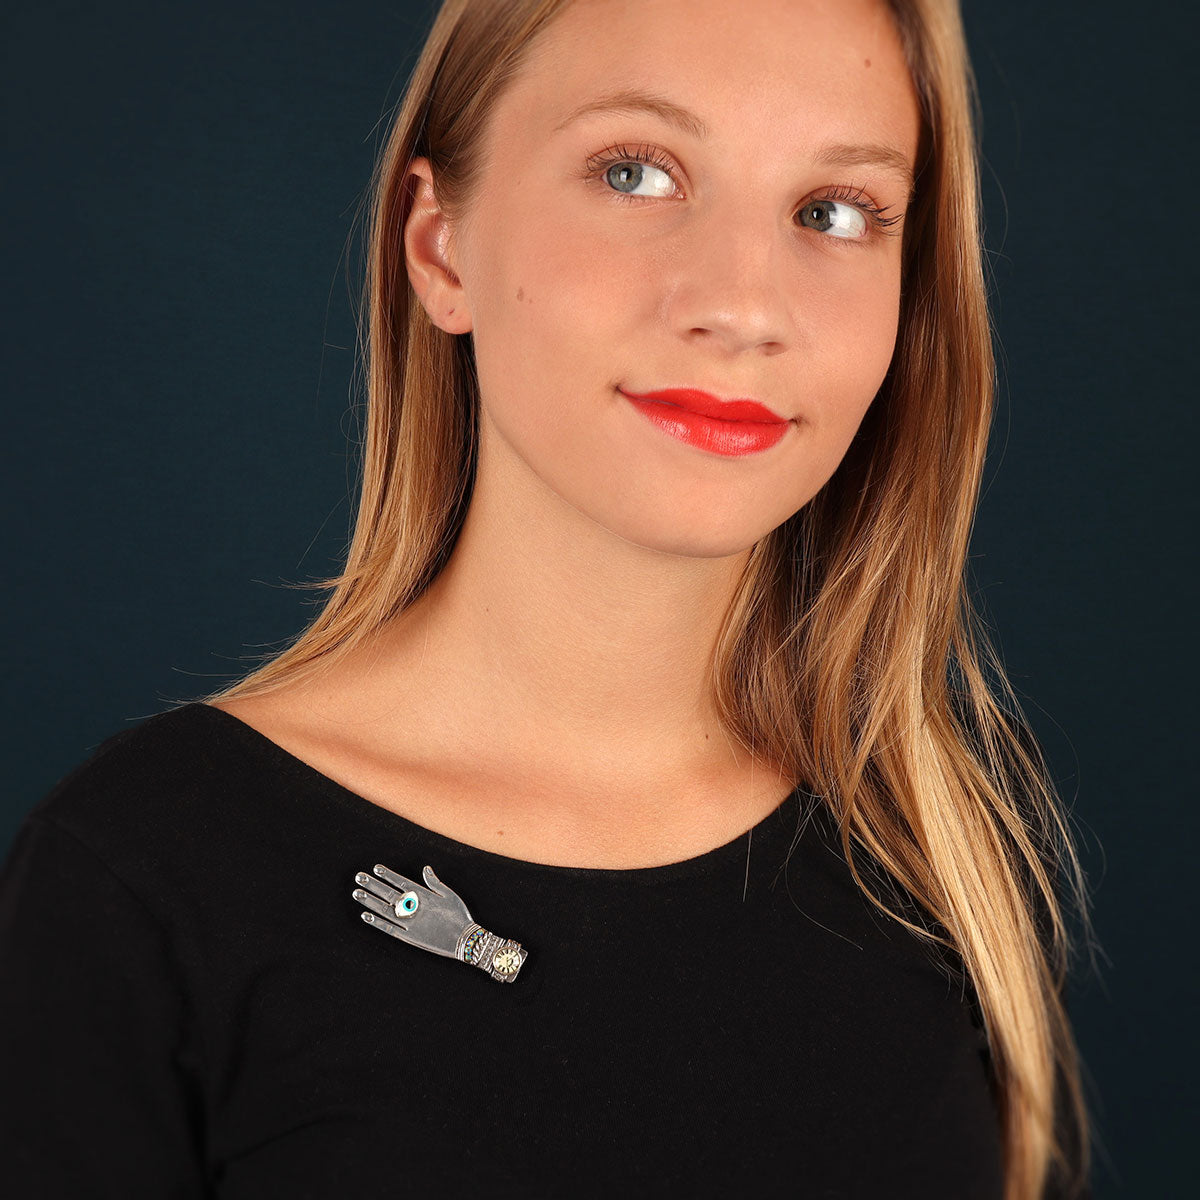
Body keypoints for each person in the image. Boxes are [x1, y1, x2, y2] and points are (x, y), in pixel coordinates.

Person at [0, 0, 1095, 1196]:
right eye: (635, 173)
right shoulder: (139, 883)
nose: (744, 307)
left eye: (833, 211)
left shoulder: (938, 837)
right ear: (441, 248)